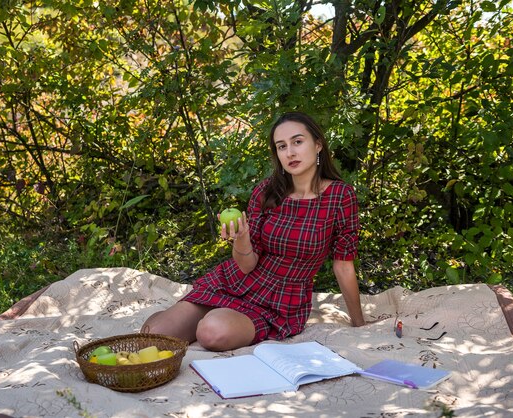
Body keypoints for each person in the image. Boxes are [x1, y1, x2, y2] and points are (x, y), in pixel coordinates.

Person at [142, 111, 365, 351]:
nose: (290, 152)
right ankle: (203, 310)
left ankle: (214, 318)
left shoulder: (340, 196)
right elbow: (246, 265)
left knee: (211, 333)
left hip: (280, 301)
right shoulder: (267, 191)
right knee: (153, 335)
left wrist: (360, 324)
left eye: (297, 142)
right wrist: (242, 238)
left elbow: (343, 264)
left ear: (318, 144)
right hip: (234, 282)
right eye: (281, 146)